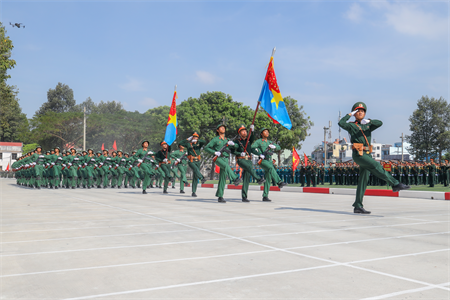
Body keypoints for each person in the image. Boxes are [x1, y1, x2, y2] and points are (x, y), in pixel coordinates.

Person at [338, 102, 410, 214]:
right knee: (376, 165)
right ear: (354, 113)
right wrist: (349, 114)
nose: (360, 112)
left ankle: (358, 205)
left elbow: (380, 123)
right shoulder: (352, 126)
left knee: (363, 180)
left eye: (362, 111)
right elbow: (341, 123)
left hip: (367, 153)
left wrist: (369, 121)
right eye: (358, 111)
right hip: (359, 154)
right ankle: (395, 184)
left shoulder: (367, 126)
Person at [204, 124, 241, 203]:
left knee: (223, 178)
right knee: (226, 166)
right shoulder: (216, 139)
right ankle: (235, 178)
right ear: (217, 130)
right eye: (221, 127)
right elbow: (206, 147)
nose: (223, 128)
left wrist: (233, 144)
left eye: (224, 127)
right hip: (218, 158)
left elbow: (237, 146)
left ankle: (220, 196)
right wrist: (214, 152)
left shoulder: (227, 140)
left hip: (225, 158)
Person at [251, 128, 287, 201]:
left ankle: (265, 196)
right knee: (271, 168)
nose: (267, 133)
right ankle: (279, 182)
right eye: (265, 131)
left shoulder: (270, 142)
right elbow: (252, 148)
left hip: (269, 161)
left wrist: (274, 147)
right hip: (263, 161)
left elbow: (279, 147)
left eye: (268, 131)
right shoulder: (259, 141)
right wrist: (259, 154)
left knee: (268, 179)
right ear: (261, 133)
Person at [232, 124, 265, 202]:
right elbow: (232, 151)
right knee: (250, 168)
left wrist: (252, 130)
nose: (244, 132)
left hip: (249, 160)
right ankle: (258, 179)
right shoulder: (237, 141)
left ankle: (244, 196)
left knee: (246, 179)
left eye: (245, 131)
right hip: (241, 160)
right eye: (242, 131)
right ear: (239, 133)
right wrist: (239, 153)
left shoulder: (248, 141)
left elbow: (252, 138)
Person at [179, 131, 208, 197]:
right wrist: (187, 139)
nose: (195, 137)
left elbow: (204, 142)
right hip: (191, 161)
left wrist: (197, 140)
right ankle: (202, 178)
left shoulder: (199, 144)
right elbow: (180, 143)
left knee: (195, 176)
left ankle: (194, 192)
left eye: (196, 136)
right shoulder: (188, 144)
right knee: (195, 169)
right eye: (194, 136)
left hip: (198, 161)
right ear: (192, 137)